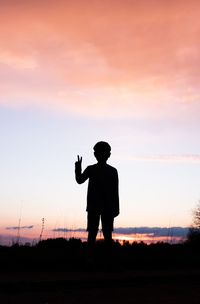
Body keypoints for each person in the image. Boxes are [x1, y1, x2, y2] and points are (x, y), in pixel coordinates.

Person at [75, 141, 119, 254]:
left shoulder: (112, 171)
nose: (101, 155)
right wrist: (78, 169)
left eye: (103, 153)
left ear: (108, 155)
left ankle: (107, 262)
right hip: (96, 206)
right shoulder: (92, 169)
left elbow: (115, 191)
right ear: (95, 155)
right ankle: (92, 261)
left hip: (105, 207)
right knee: (94, 233)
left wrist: (116, 208)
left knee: (106, 234)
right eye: (99, 153)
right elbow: (80, 180)